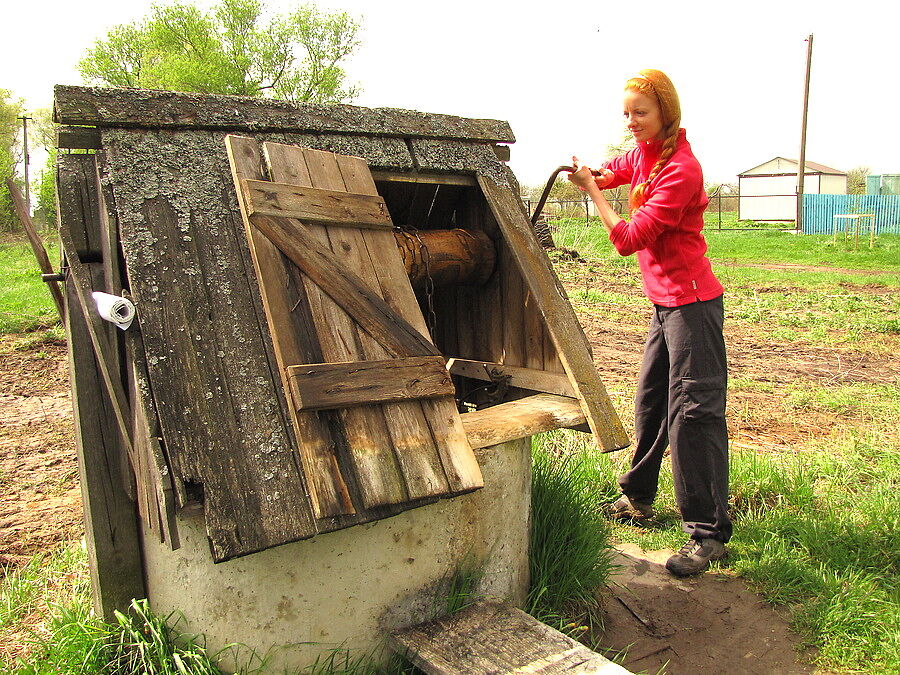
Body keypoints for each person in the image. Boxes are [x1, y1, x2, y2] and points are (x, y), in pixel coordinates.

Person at [567, 69, 731, 577]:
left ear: (666, 113)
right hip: (665, 306)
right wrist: (593, 172)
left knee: (694, 415)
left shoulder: (681, 169)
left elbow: (627, 237)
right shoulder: (646, 154)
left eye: (641, 112)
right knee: (651, 402)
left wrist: (592, 192)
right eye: (627, 113)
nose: (632, 121)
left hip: (692, 306)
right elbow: (617, 168)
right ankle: (639, 496)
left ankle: (708, 534)